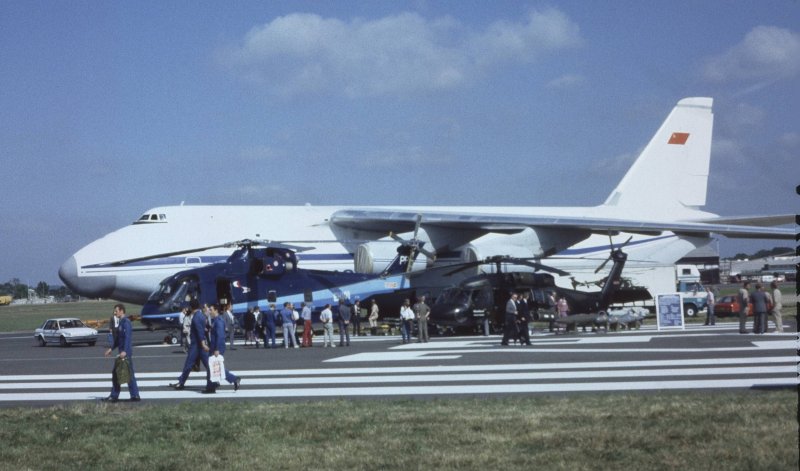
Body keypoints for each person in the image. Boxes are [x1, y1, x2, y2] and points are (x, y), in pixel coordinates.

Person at [170, 299, 213, 391]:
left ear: (191, 307)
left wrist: (202, 343)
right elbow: (205, 328)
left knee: (189, 364)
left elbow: (199, 332)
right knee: (208, 365)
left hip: (196, 345)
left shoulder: (196, 317)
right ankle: (182, 381)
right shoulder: (202, 316)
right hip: (200, 345)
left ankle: (181, 382)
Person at [103, 304, 141, 402]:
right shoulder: (121, 322)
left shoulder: (126, 322)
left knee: (116, 373)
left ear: (121, 311)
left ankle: (114, 396)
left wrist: (124, 351)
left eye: (116, 311)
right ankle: (135, 395)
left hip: (125, 353)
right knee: (129, 373)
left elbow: (128, 338)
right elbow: (118, 339)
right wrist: (111, 349)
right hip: (122, 352)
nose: (114, 313)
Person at [204, 304, 241, 393]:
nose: (210, 311)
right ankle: (211, 386)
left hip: (217, 347)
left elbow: (220, 336)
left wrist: (217, 349)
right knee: (213, 366)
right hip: (214, 347)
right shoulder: (215, 320)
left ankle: (233, 379)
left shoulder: (219, 321)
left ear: (216, 310)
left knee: (215, 367)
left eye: (211, 309)